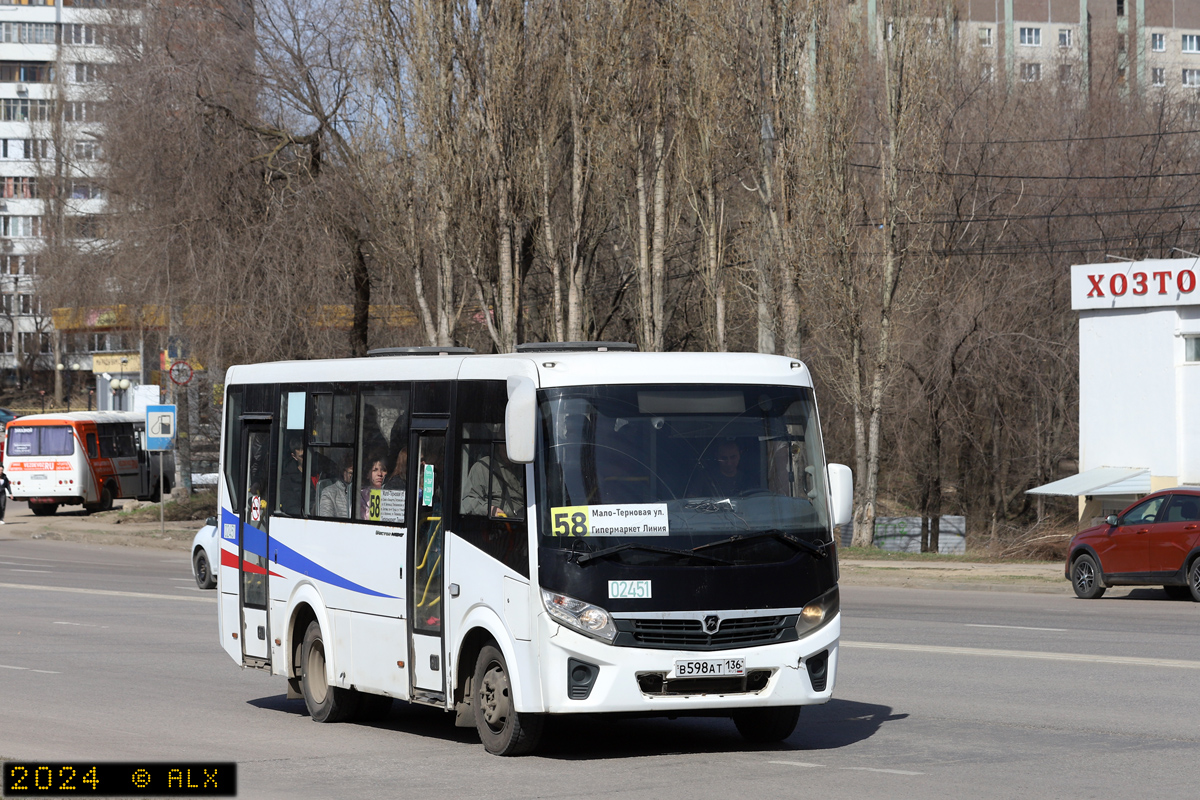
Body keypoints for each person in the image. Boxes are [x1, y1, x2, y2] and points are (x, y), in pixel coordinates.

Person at [461, 444, 524, 519]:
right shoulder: (483, 467)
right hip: (495, 524)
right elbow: (468, 500)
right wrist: (488, 510)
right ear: (500, 444)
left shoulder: (527, 466)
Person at [278, 435, 306, 516]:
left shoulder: (321, 469)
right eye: (302, 456)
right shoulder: (287, 479)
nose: (306, 458)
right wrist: (311, 511)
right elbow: (290, 507)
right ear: (294, 456)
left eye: (308, 454)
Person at [358, 450, 388, 519]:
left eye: (383, 470)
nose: (380, 474)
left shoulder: (393, 495)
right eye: (375, 470)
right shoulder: (361, 495)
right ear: (367, 475)